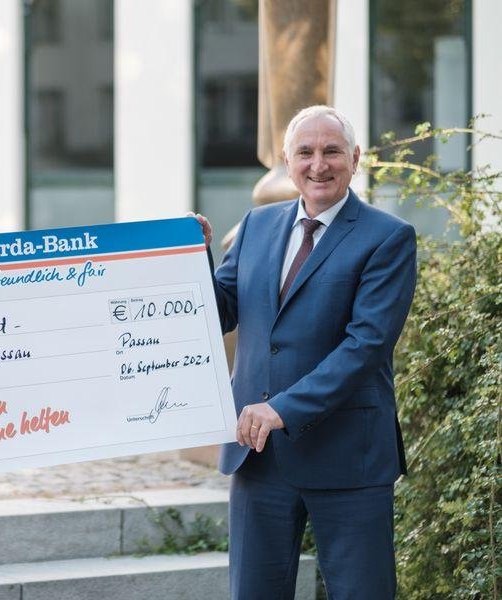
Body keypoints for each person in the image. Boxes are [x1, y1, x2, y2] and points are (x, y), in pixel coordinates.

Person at [196, 105, 416, 599]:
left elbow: (365, 347)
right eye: (306, 152)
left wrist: (282, 409)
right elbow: (220, 313)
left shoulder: (388, 238)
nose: (319, 164)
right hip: (257, 455)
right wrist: (191, 258)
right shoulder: (255, 225)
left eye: (332, 151)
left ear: (355, 158)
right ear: (287, 160)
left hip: (348, 457)